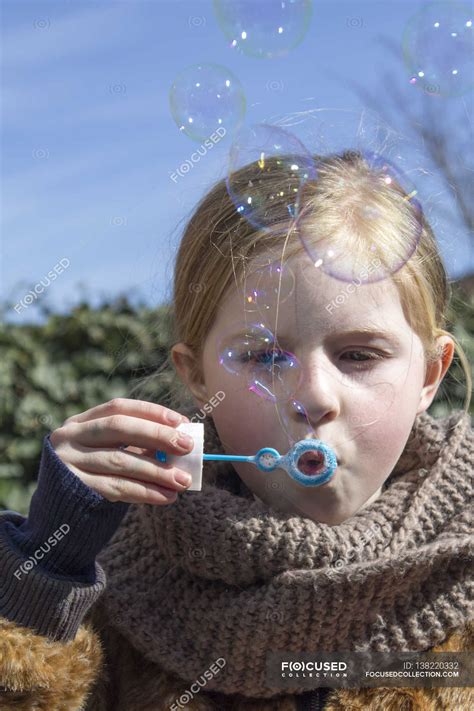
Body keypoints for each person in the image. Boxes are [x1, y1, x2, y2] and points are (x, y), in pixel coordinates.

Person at [0, 151, 472, 711]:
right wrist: (40, 575)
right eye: (266, 357)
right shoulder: (110, 586)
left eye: (359, 355)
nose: (316, 396)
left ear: (429, 374)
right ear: (198, 377)